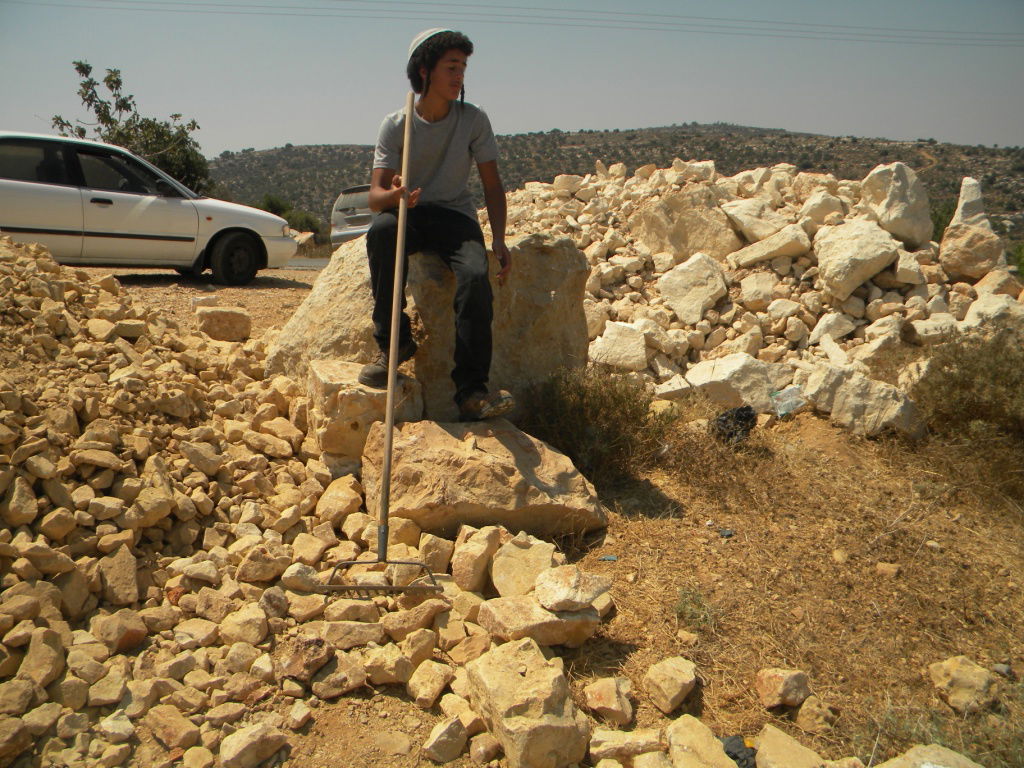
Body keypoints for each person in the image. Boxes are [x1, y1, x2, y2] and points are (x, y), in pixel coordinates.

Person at [359, 28, 515, 422]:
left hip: (454, 217)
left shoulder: (473, 119)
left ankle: (471, 391)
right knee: (381, 232)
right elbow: (374, 196)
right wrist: (395, 197)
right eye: (451, 67)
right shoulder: (397, 124)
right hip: (410, 213)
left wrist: (498, 240)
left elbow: (492, 185)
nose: (460, 75)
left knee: (476, 276)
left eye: (463, 67)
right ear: (424, 70)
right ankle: (394, 344)